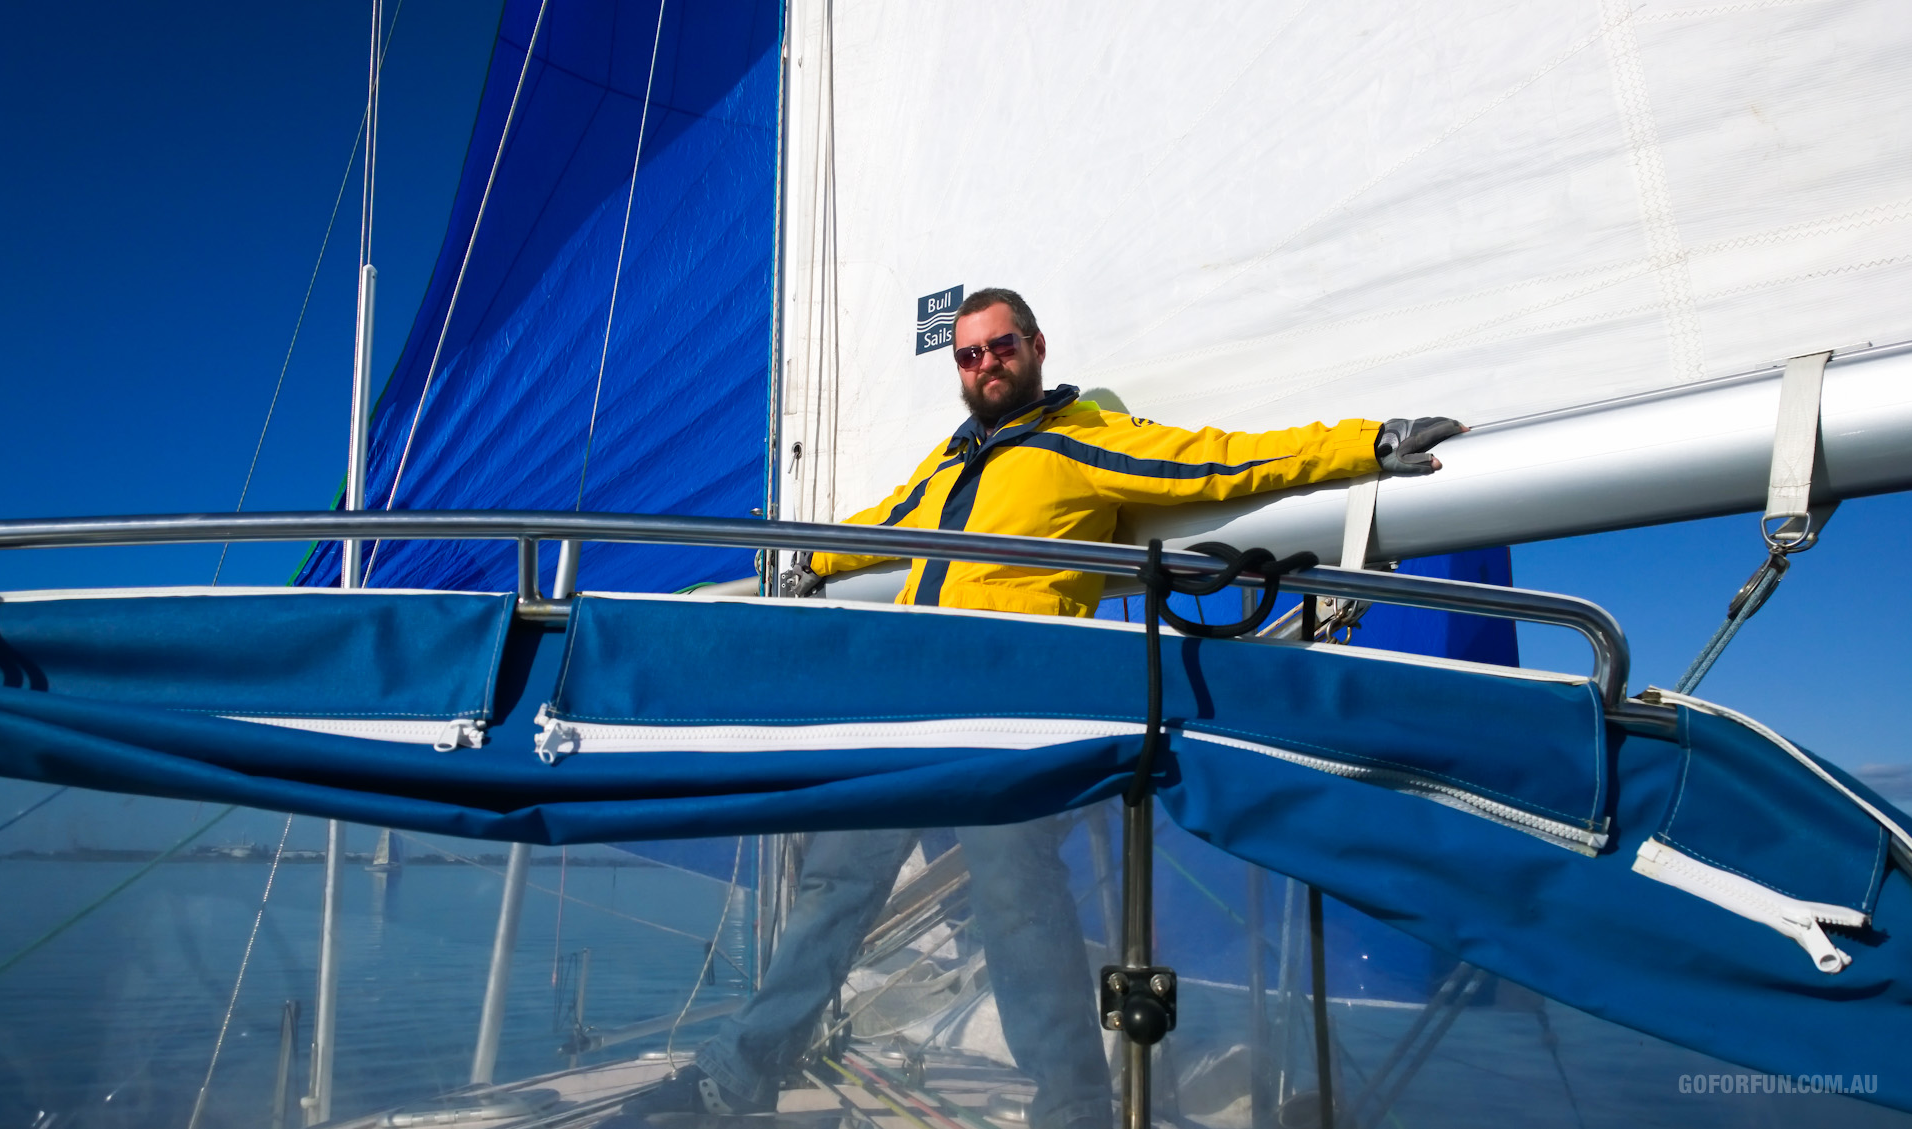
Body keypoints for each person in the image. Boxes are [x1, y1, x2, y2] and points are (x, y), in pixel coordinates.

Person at [618, 288, 1460, 1129]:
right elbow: (887, 524)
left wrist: (1369, 445)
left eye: (1000, 346)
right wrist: (794, 560)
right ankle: (737, 1077)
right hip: (911, 708)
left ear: (1036, 345)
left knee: (1017, 902)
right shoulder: (950, 463)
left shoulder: (1078, 444)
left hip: (1012, 713)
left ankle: (1073, 1110)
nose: (986, 364)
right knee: (836, 886)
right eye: (969, 354)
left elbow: (1217, 460)